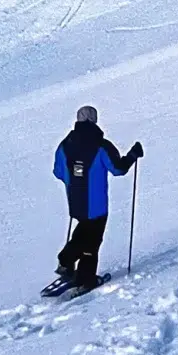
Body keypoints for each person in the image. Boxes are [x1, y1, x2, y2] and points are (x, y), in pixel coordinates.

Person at [52, 105, 142, 289]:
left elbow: (58, 172)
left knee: (84, 230)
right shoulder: (101, 145)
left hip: (75, 201)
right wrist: (133, 155)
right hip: (96, 204)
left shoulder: (65, 144)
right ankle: (83, 277)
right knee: (92, 242)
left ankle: (67, 263)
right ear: (94, 120)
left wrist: (75, 178)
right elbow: (118, 169)